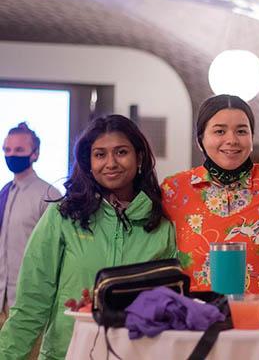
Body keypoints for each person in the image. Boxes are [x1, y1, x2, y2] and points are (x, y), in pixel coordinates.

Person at [0, 115, 177, 360]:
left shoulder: (161, 225)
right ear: (89, 163)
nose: (111, 163)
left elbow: (169, 307)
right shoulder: (63, 216)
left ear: (139, 157)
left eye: (121, 152)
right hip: (66, 354)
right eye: (100, 154)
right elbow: (31, 303)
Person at [162, 94, 259, 296]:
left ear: (252, 138)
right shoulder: (174, 189)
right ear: (200, 140)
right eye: (219, 131)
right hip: (199, 319)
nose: (231, 140)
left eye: (241, 131)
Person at [0, 123, 61, 326]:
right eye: (7, 150)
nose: (11, 155)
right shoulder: (4, 192)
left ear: (34, 154)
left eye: (19, 150)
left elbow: (58, 252)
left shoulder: (49, 195)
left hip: (31, 305)